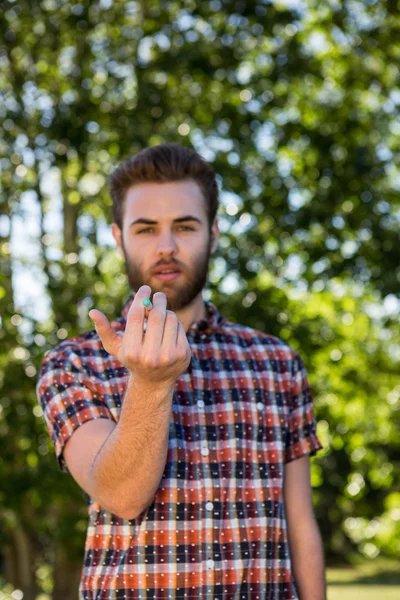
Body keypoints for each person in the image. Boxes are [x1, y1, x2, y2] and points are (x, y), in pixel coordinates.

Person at [36, 142, 326, 600]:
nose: (166, 247)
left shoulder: (277, 362)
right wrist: (151, 384)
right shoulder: (73, 363)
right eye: (146, 228)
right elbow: (122, 496)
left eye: (185, 227)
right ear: (118, 237)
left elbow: (300, 523)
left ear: (212, 234)